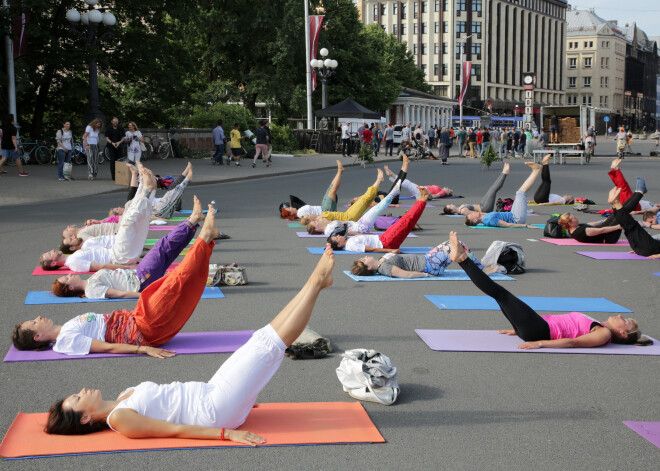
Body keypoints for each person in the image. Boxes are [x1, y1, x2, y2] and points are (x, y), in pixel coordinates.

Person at [43, 245, 337, 444]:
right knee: (268, 344)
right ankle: (316, 281)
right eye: (78, 398)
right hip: (214, 410)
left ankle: (318, 282)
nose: (82, 391)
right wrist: (226, 434)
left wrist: (244, 395)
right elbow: (175, 429)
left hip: (213, 392)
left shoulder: (123, 396)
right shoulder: (119, 419)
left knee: (262, 338)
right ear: (84, 418)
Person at [15, 205, 228, 359]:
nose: (38, 317)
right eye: (34, 323)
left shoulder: (66, 330)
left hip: (138, 319)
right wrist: (143, 349)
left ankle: (205, 237)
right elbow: (107, 347)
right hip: (142, 329)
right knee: (177, 280)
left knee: (178, 281)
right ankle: (204, 236)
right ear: (38, 337)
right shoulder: (66, 341)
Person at [447, 231, 651, 348]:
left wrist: (540, 343)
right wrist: (518, 327)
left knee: (500, 293)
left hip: (539, 330)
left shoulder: (604, 334)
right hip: (535, 325)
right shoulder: (599, 325)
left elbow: (573, 343)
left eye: (625, 320)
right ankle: (462, 259)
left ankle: (462, 259)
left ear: (623, 333)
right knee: (500, 296)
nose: (619, 316)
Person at [52, 197, 204, 299]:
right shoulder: (91, 290)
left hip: (138, 274)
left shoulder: (90, 282)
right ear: (70, 288)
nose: (70, 275)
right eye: (67, 278)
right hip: (140, 279)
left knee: (169, 252)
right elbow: (120, 294)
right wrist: (148, 294)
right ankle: (192, 220)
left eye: (67, 276)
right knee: (162, 246)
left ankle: (193, 224)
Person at [40, 164, 157, 273]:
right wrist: (128, 267)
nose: (52, 251)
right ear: (53, 263)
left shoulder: (78, 253)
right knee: (129, 220)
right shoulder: (73, 263)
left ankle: (149, 188)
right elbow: (101, 267)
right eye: (49, 254)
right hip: (119, 256)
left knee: (140, 221)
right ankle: (145, 187)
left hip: (120, 251)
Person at [328, 187, 429, 252]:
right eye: (337, 238)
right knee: (406, 221)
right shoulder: (351, 246)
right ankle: (423, 198)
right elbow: (371, 249)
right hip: (386, 242)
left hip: (384, 238)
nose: (338, 236)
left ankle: (423, 198)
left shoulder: (349, 241)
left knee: (407, 223)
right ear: (340, 244)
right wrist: (391, 251)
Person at [351, 237, 497, 278]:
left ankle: (478, 266)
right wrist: (426, 274)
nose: (365, 257)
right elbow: (406, 275)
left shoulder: (382, 261)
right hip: (429, 266)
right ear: (369, 267)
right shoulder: (384, 268)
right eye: (364, 260)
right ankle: (480, 269)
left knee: (452, 244)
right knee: (459, 245)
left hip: (427, 258)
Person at [308, 181, 402, 236]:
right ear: (316, 229)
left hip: (359, 224)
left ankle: (394, 192)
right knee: (377, 208)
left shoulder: (327, 227)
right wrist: (363, 235)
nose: (317, 221)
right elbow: (347, 233)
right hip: (361, 228)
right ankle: (394, 192)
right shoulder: (328, 231)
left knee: (377, 208)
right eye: (315, 223)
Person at [465, 162, 542, 228]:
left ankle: (535, 170)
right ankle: (536, 170)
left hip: (513, 214)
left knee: (519, 193)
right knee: (520, 192)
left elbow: (482, 214)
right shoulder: (488, 220)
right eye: (471, 215)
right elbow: (507, 225)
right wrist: (525, 226)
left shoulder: (484, 217)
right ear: (475, 220)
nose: (472, 212)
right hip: (517, 218)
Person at [608, 183, 660, 258]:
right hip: (642, 249)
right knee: (627, 228)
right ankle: (615, 206)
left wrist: (658, 255)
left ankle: (616, 204)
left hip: (650, 248)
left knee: (632, 226)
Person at [280, 161, 344, 219]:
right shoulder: (300, 214)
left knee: (330, 188)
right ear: (291, 213)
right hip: (326, 211)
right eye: (289, 208)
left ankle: (339, 171)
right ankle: (339, 171)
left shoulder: (299, 211)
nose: (290, 207)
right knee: (332, 190)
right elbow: (312, 218)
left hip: (323, 207)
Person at [443, 163, 510, 215]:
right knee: (493, 190)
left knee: (491, 189)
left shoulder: (460, 208)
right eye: (450, 206)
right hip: (485, 209)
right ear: (452, 211)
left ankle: (504, 173)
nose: (451, 204)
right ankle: (504, 173)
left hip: (481, 205)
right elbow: (476, 214)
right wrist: (492, 215)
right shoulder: (463, 211)